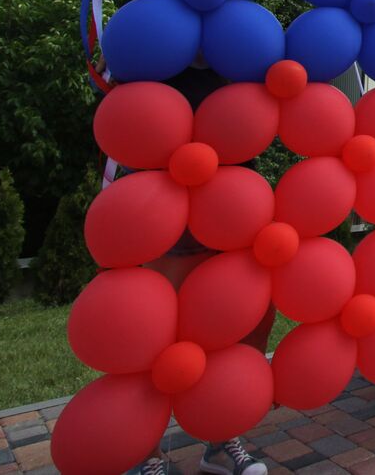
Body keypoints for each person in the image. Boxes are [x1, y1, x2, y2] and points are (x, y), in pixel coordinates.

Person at [127, 66, 272, 475]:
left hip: (234, 191)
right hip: (168, 187)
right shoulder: (155, 36)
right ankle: (144, 453)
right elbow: (113, 88)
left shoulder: (242, 46)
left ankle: (221, 441)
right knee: (154, 331)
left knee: (242, 322)